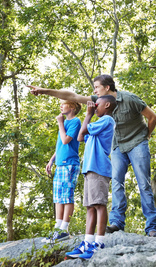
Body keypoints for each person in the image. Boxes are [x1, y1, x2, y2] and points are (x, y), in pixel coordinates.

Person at [28, 74, 156, 237]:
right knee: (117, 183)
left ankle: (152, 227)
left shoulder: (130, 99)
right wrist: (44, 91)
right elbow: (72, 96)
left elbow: (153, 117)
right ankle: (117, 223)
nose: (94, 90)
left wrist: (145, 136)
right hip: (118, 145)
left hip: (137, 142)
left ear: (107, 87)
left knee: (144, 183)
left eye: (96, 87)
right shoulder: (99, 102)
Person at [65, 95, 116, 259]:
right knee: (90, 206)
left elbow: (85, 130)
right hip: (89, 168)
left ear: (107, 105)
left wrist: (88, 114)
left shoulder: (107, 120)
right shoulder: (97, 124)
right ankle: (87, 242)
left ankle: (99, 243)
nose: (94, 107)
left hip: (99, 167)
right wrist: (90, 115)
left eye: (97, 104)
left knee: (99, 205)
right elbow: (80, 137)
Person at [41, 100, 82, 244]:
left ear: (72, 107)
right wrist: (52, 160)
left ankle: (64, 229)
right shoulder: (64, 124)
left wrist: (60, 123)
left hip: (70, 164)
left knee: (67, 196)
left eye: (63, 104)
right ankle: (57, 228)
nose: (60, 106)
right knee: (58, 197)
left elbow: (66, 140)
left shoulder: (75, 121)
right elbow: (60, 146)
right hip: (60, 164)